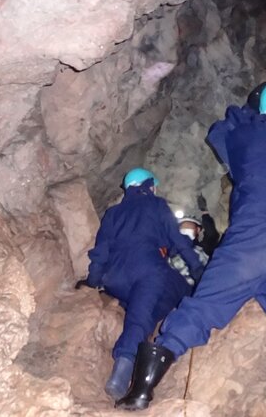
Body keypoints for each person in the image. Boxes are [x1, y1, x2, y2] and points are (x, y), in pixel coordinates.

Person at [117, 81, 266, 417]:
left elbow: (221, 130)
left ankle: (142, 390)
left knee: (202, 307)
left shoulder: (249, 137)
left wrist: (254, 113)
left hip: (251, 242)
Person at [76, 168, 204, 401]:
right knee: (166, 297)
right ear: (148, 185)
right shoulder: (156, 205)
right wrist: (199, 272)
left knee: (147, 312)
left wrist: (92, 281)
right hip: (147, 270)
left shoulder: (113, 213)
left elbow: (101, 252)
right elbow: (179, 243)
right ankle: (122, 373)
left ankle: (142, 345)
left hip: (114, 279)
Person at [169, 215, 210, 286]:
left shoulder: (203, 248)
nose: (185, 229)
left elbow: (211, 234)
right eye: (182, 227)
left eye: (189, 226)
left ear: (198, 229)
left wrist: (205, 213)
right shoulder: (171, 249)